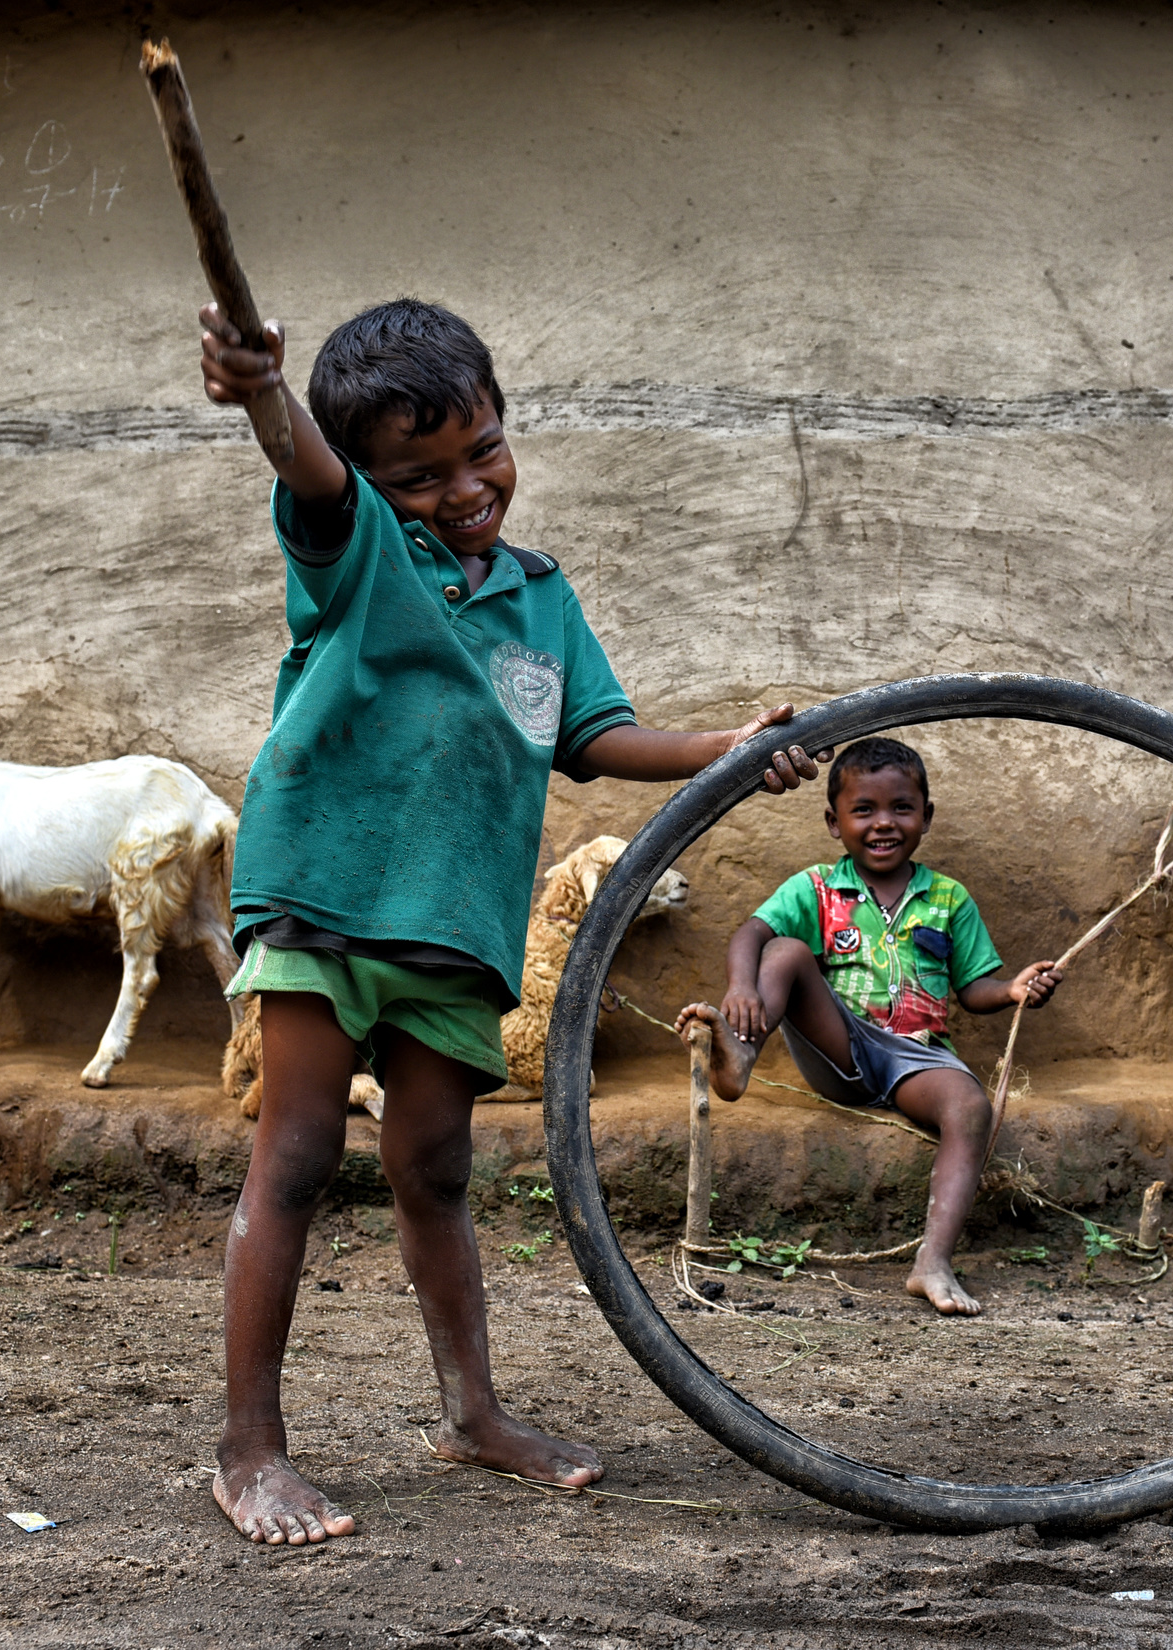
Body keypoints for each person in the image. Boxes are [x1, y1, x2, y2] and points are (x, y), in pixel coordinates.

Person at [197, 297, 824, 1546]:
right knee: (299, 1155)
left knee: (435, 1166)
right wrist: (264, 392)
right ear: (375, 486)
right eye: (419, 475)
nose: (465, 488)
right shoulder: (358, 549)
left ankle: (471, 1413)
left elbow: (593, 735)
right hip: (323, 899)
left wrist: (725, 748)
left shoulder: (540, 595)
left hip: (454, 922)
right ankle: (249, 1448)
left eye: (481, 449)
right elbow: (307, 470)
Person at [677, 737, 1062, 1317]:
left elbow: (973, 989)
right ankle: (742, 1058)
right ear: (835, 823)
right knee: (784, 950)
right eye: (864, 810)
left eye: (901, 808)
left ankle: (933, 1261)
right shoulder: (816, 888)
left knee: (969, 1107)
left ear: (926, 816)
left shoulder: (949, 899)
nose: (884, 823)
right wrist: (740, 987)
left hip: (917, 1060)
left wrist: (1010, 991)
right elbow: (750, 934)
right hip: (842, 1046)